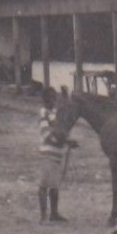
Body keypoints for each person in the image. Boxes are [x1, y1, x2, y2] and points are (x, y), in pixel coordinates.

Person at [37, 90, 77, 223]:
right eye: (52, 99)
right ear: (46, 100)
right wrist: (65, 141)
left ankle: (54, 214)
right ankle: (43, 216)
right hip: (47, 152)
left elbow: (60, 130)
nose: (54, 101)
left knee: (54, 184)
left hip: (56, 153)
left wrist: (65, 139)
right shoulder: (43, 113)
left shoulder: (54, 113)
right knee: (44, 184)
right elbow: (46, 134)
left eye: (55, 99)